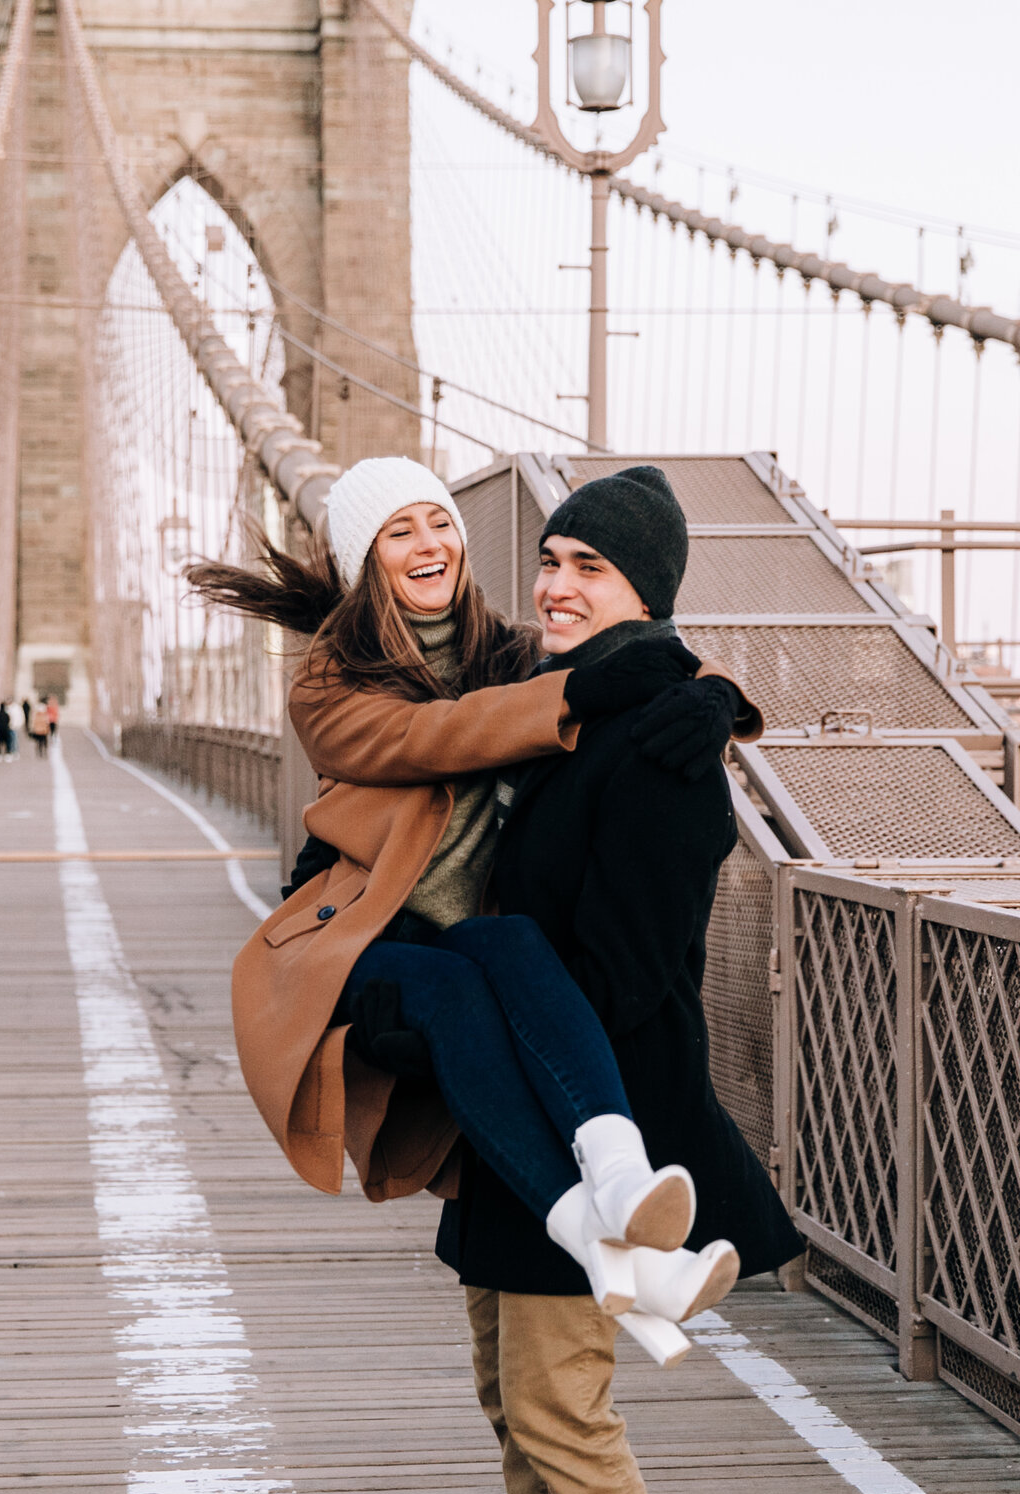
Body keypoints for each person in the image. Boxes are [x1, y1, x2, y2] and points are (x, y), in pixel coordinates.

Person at [191, 457, 757, 1352]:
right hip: (356, 939)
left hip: (463, 943)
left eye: (440, 520)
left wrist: (716, 694)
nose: (430, 543)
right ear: (365, 560)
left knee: (513, 943)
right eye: (398, 530)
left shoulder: (503, 651)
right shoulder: (333, 683)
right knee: (461, 985)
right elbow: (440, 735)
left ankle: (623, 1206)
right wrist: (586, 690)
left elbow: (633, 627)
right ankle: (607, 1243)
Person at [443, 465, 806, 1494]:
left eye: (587, 567)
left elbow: (628, 971)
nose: (554, 584)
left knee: (562, 1411)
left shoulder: (660, 742)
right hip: (518, 1115)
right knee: (515, 1406)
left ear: (642, 591)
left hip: (593, 1123)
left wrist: (495, 1009)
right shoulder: (548, 707)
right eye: (549, 560)